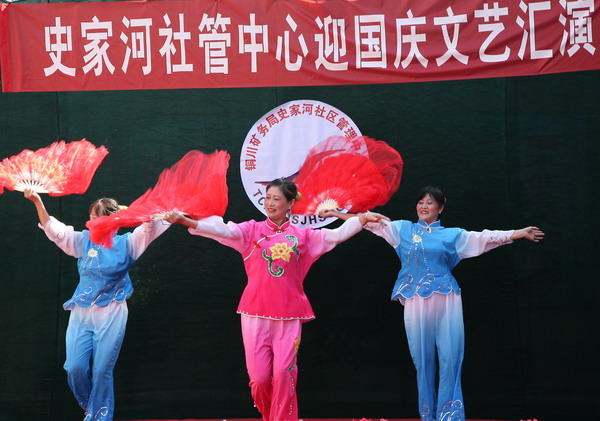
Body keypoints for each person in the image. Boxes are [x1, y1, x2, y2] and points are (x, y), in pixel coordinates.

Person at [165, 177, 385, 421]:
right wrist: (186, 221)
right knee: (259, 379)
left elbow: (334, 236)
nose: (270, 203)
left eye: (276, 199)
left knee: (284, 374)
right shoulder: (251, 231)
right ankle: (271, 416)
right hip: (255, 313)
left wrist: (362, 219)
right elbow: (224, 231)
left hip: (289, 315)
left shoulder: (304, 236)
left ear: (289, 203)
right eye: (268, 198)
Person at [324, 186, 544, 421]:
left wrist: (517, 233)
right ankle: (427, 415)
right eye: (420, 202)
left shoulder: (453, 235)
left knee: (451, 357)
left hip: (447, 298)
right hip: (415, 300)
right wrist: (337, 214)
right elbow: (366, 222)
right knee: (422, 359)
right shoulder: (402, 229)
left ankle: (450, 416)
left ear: (441, 207)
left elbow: (484, 237)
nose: (424, 206)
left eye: (429, 202)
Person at [24, 188, 170, 421]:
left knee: (102, 370)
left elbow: (149, 227)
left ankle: (99, 416)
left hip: (111, 311)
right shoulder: (83, 240)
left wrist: (152, 214)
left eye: (97, 218)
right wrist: (37, 202)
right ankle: (92, 407)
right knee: (74, 368)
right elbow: (54, 229)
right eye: (91, 217)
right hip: (82, 312)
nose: (91, 222)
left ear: (112, 220)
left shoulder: (128, 243)